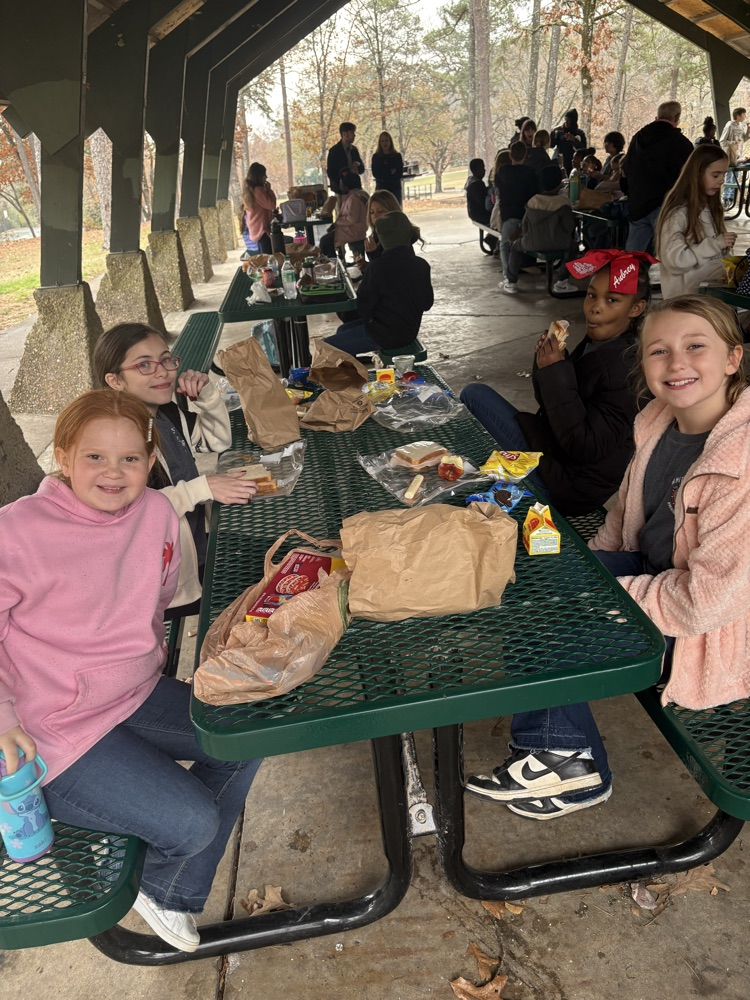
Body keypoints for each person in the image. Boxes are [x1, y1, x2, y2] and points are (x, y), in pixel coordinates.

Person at [465, 295, 750, 819]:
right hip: (659, 579)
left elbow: (707, 604)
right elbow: (625, 524)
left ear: (733, 359)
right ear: (642, 364)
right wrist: (578, 569)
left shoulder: (741, 461)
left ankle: (566, 763)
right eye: (659, 351)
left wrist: (599, 593)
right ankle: (567, 750)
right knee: (531, 584)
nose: (677, 363)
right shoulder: (659, 421)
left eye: (696, 347)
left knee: (555, 617)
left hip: (717, 629)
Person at [0, 389, 262, 947]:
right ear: (64, 456)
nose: (113, 473)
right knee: (194, 822)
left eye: (131, 458)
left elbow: (163, 594)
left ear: (150, 461)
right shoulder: (16, 530)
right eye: (95, 456)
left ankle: (167, 888)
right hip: (51, 731)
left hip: (136, 693)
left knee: (249, 728)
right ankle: (132, 822)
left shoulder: (155, 512)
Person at [461, 249, 653, 516]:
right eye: (591, 295)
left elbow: (584, 445)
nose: (595, 307)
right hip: (557, 457)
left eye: (612, 300)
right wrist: (547, 364)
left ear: (636, 308)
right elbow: (551, 402)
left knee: (474, 394)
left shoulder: (625, 367)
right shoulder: (602, 342)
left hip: (567, 487)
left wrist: (555, 371)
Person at [93, 324, 256, 615]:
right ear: (115, 380)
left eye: (166, 359)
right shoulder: (117, 438)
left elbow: (216, 440)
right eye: (144, 365)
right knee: (287, 578)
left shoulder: (163, 414)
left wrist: (207, 396)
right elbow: (126, 513)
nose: (163, 372)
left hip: (197, 547)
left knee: (291, 557)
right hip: (169, 584)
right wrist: (203, 488)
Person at [324, 210, 433, 357]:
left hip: (383, 334)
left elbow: (363, 309)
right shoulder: (421, 265)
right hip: (408, 331)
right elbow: (427, 303)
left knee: (326, 348)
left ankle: (346, 377)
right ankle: (353, 372)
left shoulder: (377, 267)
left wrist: (339, 303)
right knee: (343, 331)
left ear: (380, 239)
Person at [656, 145, 737, 298]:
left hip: (706, 300)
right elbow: (674, 261)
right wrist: (715, 244)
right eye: (715, 175)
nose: (721, 181)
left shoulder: (711, 209)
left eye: (723, 175)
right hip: (684, 302)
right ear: (697, 174)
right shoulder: (677, 214)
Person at [622, 100, 693, 253]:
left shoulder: (637, 138)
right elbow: (689, 177)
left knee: (632, 256)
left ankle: (627, 276)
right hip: (667, 206)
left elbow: (626, 168)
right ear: (677, 116)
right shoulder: (681, 144)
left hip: (638, 204)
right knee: (668, 257)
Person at [500, 163, 576, 294]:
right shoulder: (563, 202)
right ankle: (561, 282)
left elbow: (524, 226)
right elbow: (569, 226)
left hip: (531, 242)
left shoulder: (532, 201)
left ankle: (511, 282)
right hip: (560, 243)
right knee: (575, 248)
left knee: (515, 248)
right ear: (560, 183)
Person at [496, 141, 540, 293]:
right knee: (518, 246)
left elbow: (499, 192)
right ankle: (513, 275)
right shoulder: (531, 173)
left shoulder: (502, 172)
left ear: (510, 154)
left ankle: (509, 278)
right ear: (525, 155)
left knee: (505, 245)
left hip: (509, 214)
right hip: (528, 214)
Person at [319, 168, 369, 260]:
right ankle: (337, 261)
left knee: (325, 241)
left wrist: (337, 222)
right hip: (354, 228)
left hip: (354, 231)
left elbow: (352, 219)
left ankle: (332, 264)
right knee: (327, 238)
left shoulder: (354, 198)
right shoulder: (360, 194)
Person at [242, 162, 276, 254]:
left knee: (264, 257)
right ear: (259, 176)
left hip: (256, 229)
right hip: (262, 230)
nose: (266, 177)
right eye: (264, 174)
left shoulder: (250, 189)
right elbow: (272, 205)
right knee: (268, 258)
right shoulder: (258, 191)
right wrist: (269, 189)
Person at [465, 157, 498, 253]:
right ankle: (492, 239)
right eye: (482, 168)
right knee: (500, 216)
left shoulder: (471, 181)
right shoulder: (477, 184)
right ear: (475, 170)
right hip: (480, 214)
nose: (484, 170)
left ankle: (491, 238)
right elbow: (483, 202)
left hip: (474, 213)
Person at [364, 189, 405, 261]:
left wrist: (373, 255)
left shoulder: (400, 236)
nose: (375, 216)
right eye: (372, 212)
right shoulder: (376, 236)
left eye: (380, 211)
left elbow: (391, 267)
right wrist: (366, 267)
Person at [326, 122, 365, 196]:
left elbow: (362, 169)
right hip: (340, 191)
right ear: (344, 134)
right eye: (352, 132)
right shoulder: (334, 151)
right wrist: (342, 183)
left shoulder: (354, 150)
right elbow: (331, 173)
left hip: (355, 189)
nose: (354, 135)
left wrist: (358, 165)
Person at [371, 130, 404, 203]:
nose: (384, 143)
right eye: (382, 141)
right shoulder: (376, 157)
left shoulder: (397, 156)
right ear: (379, 143)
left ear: (390, 142)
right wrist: (390, 172)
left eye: (386, 140)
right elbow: (376, 173)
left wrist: (385, 172)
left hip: (395, 189)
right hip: (381, 189)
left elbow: (399, 173)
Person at [551, 109, 587, 174]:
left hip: (573, 163)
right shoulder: (560, 131)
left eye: (568, 120)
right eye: (565, 119)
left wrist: (574, 139)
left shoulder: (580, 133)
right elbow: (551, 145)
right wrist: (553, 131)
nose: (566, 122)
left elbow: (583, 150)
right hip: (560, 162)